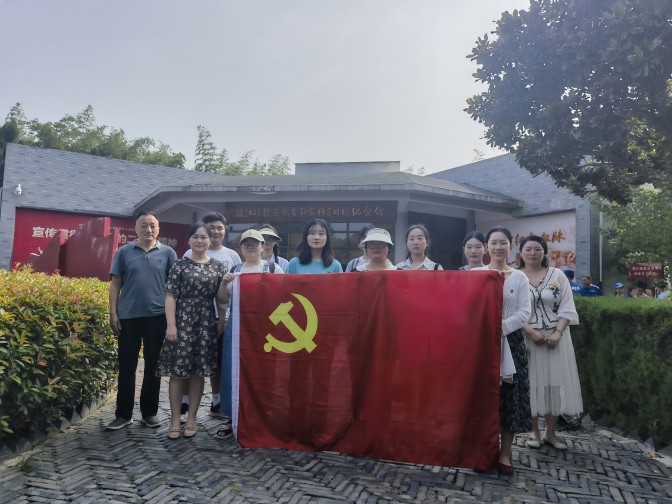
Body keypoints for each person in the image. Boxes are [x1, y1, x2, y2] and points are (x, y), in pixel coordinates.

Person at [107, 211, 178, 431]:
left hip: (157, 318)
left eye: (153, 225)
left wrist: (172, 319)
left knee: (153, 367)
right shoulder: (124, 252)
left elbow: (173, 288)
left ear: (159, 229)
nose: (149, 229)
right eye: (144, 225)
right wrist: (113, 312)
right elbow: (115, 283)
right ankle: (123, 414)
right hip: (128, 317)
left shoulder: (168, 253)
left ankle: (149, 413)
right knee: (127, 366)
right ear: (136, 228)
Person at [157, 223, 228, 440]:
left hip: (205, 324)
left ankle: (192, 419)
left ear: (210, 240)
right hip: (182, 322)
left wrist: (222, 318)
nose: (200, 241)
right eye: (196, 237)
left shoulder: (217, 266)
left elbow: (222, 299)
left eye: (204, 237)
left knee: (198, 372)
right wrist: (171, 324)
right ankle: (175, 420)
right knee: (178, 373)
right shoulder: (180, 265)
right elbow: (170, 295)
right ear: (189, 240)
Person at [472, 226, 531, 474]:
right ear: (486, 246)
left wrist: (500, 328)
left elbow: (524, 312)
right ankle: (482, 452)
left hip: (511, 343)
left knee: (509, 400)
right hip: (480, 345)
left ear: (510, 246)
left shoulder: (519, 277)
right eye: (493, 242)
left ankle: (505, 454)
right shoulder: (475, 275)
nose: (498, 247)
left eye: (503, 242)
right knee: (481, 401)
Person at [518, 235, 583, 451]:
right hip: (527, 338)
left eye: (538, 249)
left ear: (544, 252)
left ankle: (551, 433)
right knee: (532, 384)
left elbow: (567, 306)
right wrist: (530, 331)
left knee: (554, 384)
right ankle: (534, 432)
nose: (533, 253)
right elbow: (511, 309)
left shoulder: (558, 275)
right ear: (521, 252)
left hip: (556, 339)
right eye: (528, 249)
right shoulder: (515, 277)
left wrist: (557, 333)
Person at [217, 228, 284, 439]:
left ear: (263, 246)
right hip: (236, 329)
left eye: (255, 243)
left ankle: (264, 417)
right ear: (241, 248)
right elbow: (223, 301)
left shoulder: (273, 269)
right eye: (246, 243)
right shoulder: (235, 270)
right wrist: (223, 283)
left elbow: (283, 298)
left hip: (265, 331)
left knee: (264, 372)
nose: (250, 246)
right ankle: (232, 417)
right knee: (232, 371)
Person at [181, 212, 241, 422]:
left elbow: (234, 288)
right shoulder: (189, 253)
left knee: (218, 363)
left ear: (225, 230)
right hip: (193, 318)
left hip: (222, 317)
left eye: (220, 228)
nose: (216, 232)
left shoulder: (232, 256)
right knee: (190, 361)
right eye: (211, 228)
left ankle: (216, 402)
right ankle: (185, 402)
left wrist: (223, 319)